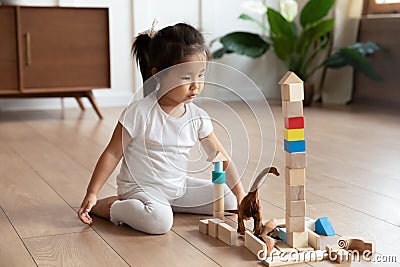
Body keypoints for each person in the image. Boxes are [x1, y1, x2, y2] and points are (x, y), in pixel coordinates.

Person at [77, 22, 245, 234]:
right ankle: (111, 206)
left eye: (200, 75)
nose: (196, 85)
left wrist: (241, 193)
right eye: (186, 77)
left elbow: (221, 156)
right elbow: (112, 153)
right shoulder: (139, 112)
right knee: (159, 222)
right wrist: (93, 192)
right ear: (158, 75)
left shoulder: (197, 117)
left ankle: (164, 207)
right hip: (140, 188)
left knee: (228, 198)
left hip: (178, 188)